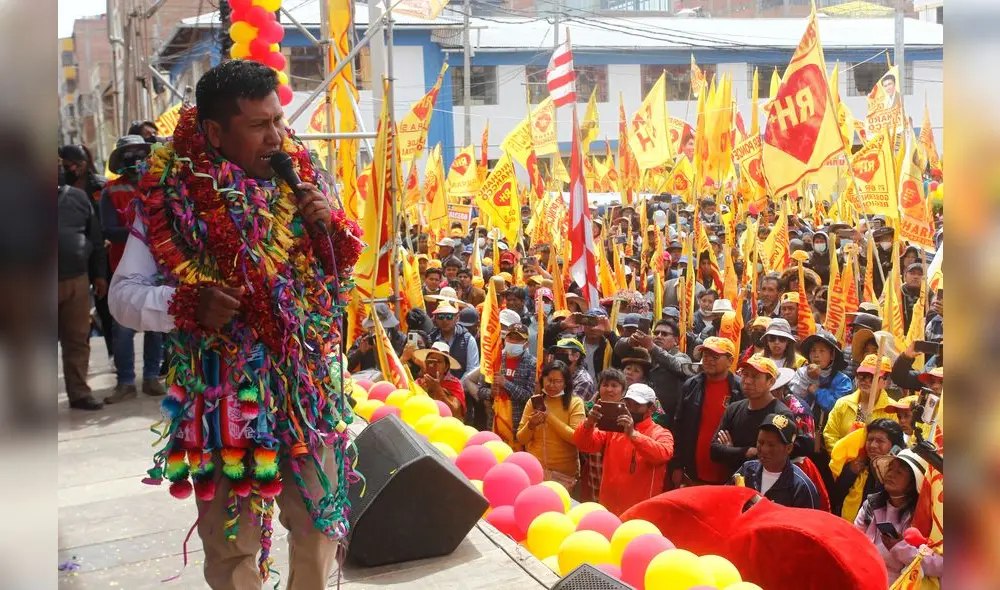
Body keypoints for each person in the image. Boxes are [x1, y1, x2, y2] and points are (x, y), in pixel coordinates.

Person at [108, 61, 362, 588]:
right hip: (222, 395)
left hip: (304, 389)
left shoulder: (305, 177)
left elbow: (339, 280)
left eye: (278, 120)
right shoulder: (168, 197)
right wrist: (186, 302)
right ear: (215, 132)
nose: (276, 136)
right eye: (258, 126)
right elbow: (122, 299)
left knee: (320, 525)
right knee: (231, 547)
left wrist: (329, 228)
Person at [100, 135, 166, 403]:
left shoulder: (158, 188)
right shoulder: (110, 191)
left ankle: (151, 377)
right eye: (129, 154)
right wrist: (141, 231)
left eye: (140, 153)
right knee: (123, 328)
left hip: (159, 265)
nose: (136, 159)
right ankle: (125, 381)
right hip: (124, 269)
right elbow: (107, 230)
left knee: (155, 325)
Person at [573, 383, 675, 516]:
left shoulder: (661, 433)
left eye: (637, 405)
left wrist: (633, 434)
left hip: (641, 513)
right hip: (609, 509)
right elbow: (583, 444)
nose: (630, 409)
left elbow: (662, 455)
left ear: (651, 409)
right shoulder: (613, 429)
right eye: (628, 403)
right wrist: (589, 422)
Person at [58, 167, 108, 410]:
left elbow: (95, 238)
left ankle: (79, 393)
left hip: (77, 280)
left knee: (77, 339)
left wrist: (99, 275)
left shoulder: (78, 197)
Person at [60, 143, 114, 357]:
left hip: (101, 255)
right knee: (76, 323)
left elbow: (111, 216)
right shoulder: (60, 189)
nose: (65, 170)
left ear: (81, 165)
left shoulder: (101, 186)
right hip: (75, 260)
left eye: (68, 165)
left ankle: (113, 355)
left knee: (106, 308)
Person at [856, 449, 943, 582]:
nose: (891, 474)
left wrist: (901, 548)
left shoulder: (925, 517)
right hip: (864, 576)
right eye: (890, 469)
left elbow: (940, 565)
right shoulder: (871, 505)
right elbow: (855, 539)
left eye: (899, 472)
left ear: (913, 483)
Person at [671, 336, 745, 487]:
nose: (708, 360)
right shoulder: (690, 386)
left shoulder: (741, 389)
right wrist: (677, 465)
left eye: (715, 356)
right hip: (693, 470)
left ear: (730, 361)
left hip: (728, 471)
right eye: (705, 355)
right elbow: (678, 427)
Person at [711, 355, 793, 475]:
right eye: (745, 374)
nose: (748, 381)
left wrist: (730, 450)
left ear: (771, 382)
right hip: (732, 482)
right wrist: (747, 451)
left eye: (755, 376)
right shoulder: (733, 409)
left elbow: (773, 458)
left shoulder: (781, 416)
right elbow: (714, 451)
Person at [516, 361, 586, 486]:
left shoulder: (575, 403)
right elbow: (521, 439)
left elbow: (576, 438)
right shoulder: (534, 402)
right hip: (536, 469)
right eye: (548, 380)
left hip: (564, 474)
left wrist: (550, 417)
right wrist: (531, 425)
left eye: (557, 381)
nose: (551, 385)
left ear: (565, 384)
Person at [731, 413, 820, 509]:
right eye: (761, 442)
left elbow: (808, 522)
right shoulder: (746, 470)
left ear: (789, 448)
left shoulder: (801, 487)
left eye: (771, 445)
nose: (764, 449)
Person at [830, 418, 905, 521]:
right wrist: (850, 472)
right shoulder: (857, 464)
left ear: (895, 447)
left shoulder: (900, 477)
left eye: (880, 441)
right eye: (870, 440)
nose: (873, 445)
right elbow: (835, 497)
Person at [628, 318, 692, 431]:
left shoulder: (682, 358)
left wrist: (652, 347)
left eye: (665, 334)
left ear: (676, 340)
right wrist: (629, 342)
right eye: (656, 333)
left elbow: (678, 367)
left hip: (670, 422)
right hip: (643, 418)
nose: (659, 336)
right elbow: (619, 350)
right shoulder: (646, 355)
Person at [823, 354, 895, 452]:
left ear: (885, 382)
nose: (866, 381)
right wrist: (843, 459)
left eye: (872, 377)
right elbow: (830, 435)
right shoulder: (843, 403)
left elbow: (895, 444)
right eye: (862, 376)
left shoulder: (892, 410)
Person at [579, 368, 627, 503]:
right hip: (595, 473)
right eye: (605, 385)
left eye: (614, 385)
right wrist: (589, 423)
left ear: (623, 390)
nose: (609, 389)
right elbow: (581, 444)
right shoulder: (590, 411)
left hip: (618, 477)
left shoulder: (628, 414)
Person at [790, 332, 854, 425]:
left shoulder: (842, 380)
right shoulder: (801, 373)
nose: (816, 355)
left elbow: (836, 407)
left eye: (822, 351)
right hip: (802, 425)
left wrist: (816, 390)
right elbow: (794, 397)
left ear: (832, 355)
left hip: (828, 428)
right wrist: (808, 378)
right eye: (813, 350)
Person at [347, 303, 406, 374]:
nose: (376, 331)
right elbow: (347, 367)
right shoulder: (363, 341)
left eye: (382, 328)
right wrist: (360, 352)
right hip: (370, 381)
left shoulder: (400, 339)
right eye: (372, 327)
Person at [414, 341, 467, 418]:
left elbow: (454, 412)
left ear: (446, 367)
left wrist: (437, 389)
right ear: (426, 363)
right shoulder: (418, 383)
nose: (434, 364)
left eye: (439, 361)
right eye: (431, 361)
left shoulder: (454, 384)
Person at [429, 303, 479, 379]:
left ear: (457, 318)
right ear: (435, 319)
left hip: (461, 388)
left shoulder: (468, 340)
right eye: (440, 317)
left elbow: (472, 370)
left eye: (449, 317)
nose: (444, 320)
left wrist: (456, 387)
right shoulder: (430, 338)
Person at [551, 336, 598, 402]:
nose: (558, 356)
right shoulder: (556, 374)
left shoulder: (583, 381)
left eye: (563, 352)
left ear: (576, 356)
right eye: (557, 352)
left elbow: (570, 408)